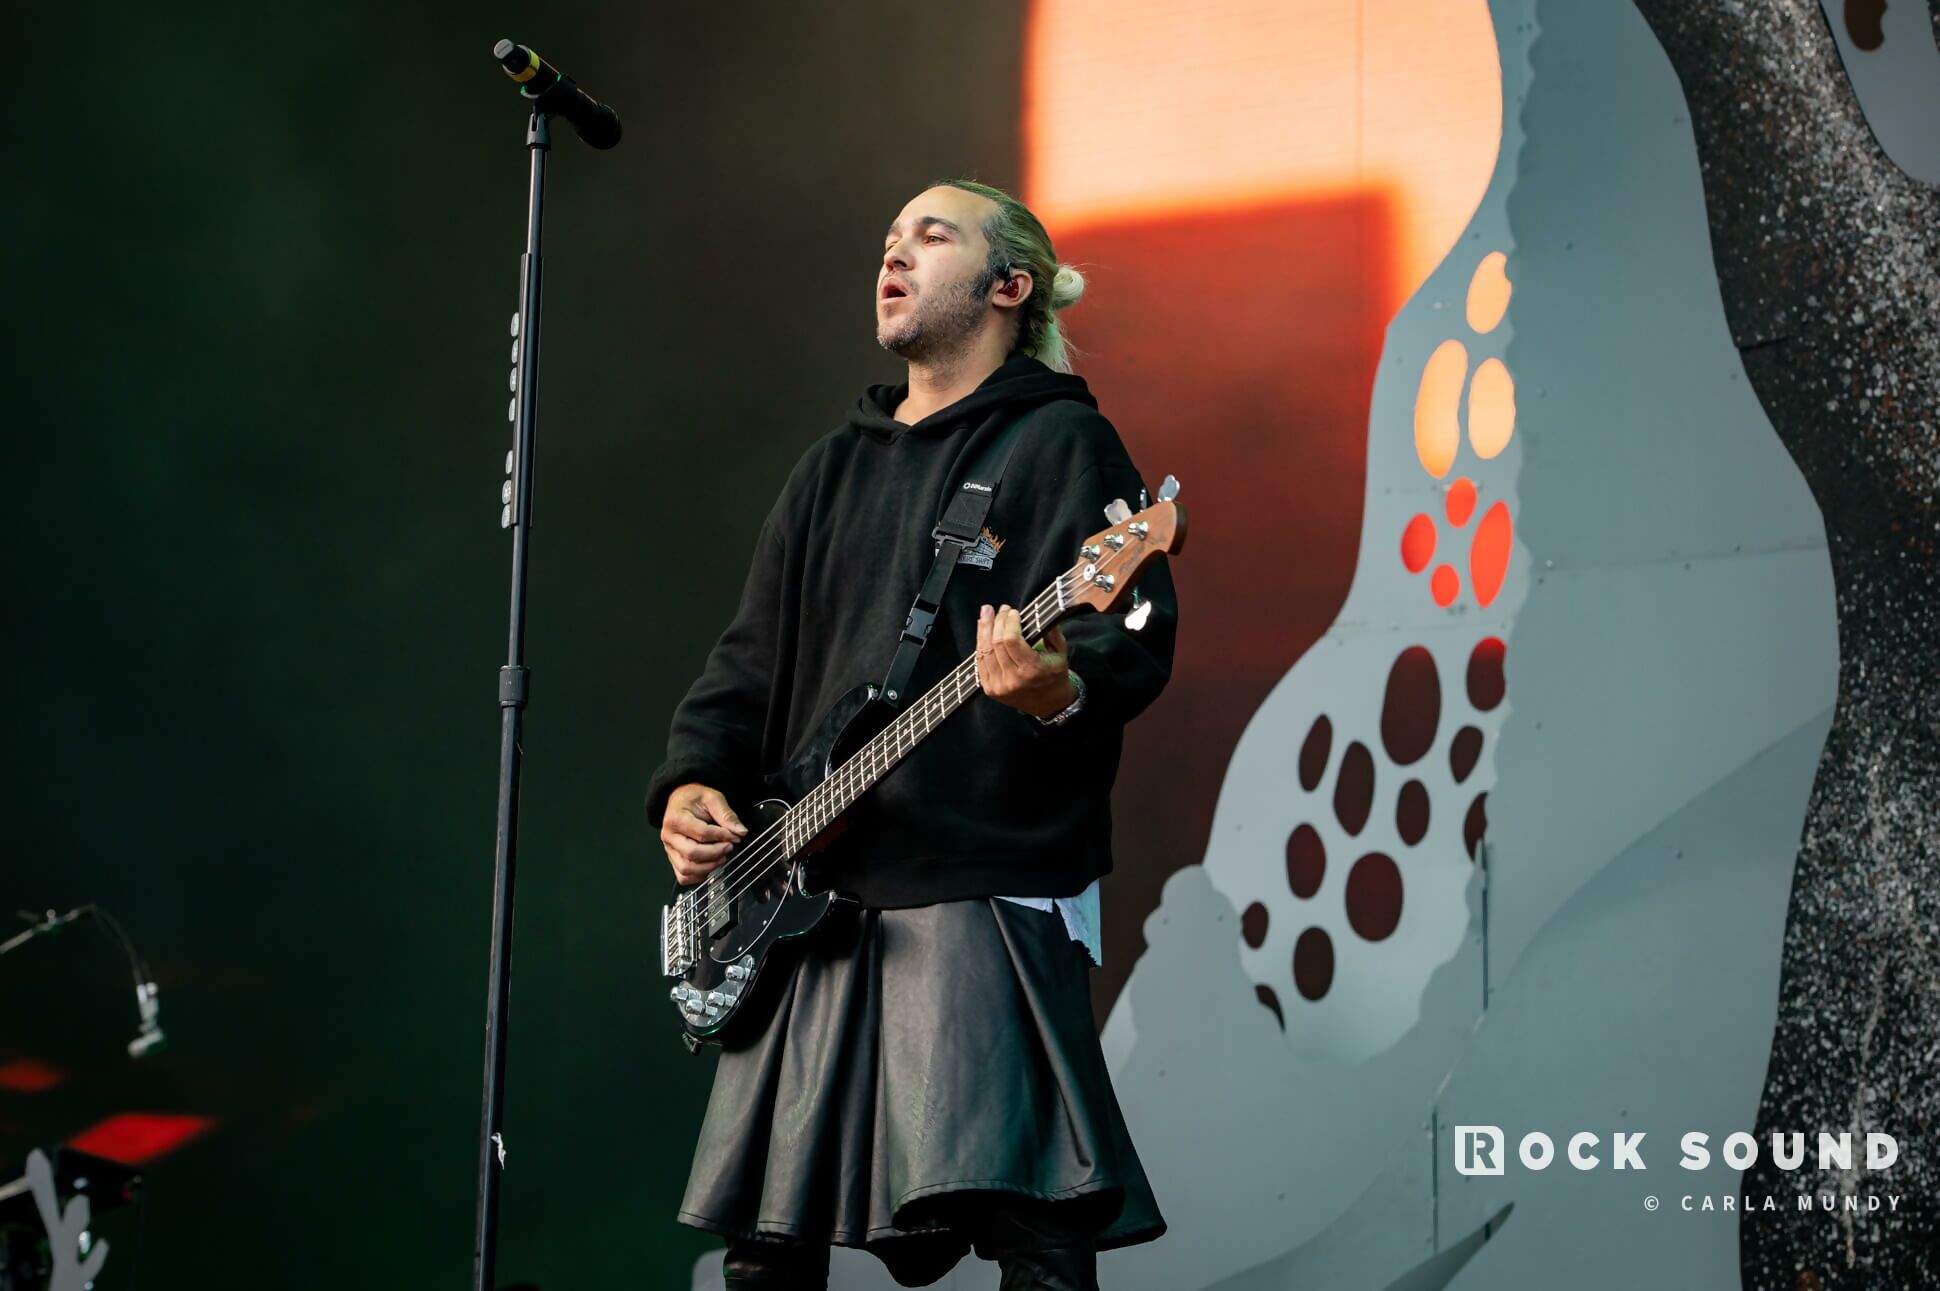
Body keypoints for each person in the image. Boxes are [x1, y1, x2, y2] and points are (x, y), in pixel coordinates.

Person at [646, 178, 1178, 1291]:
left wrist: (1052, 688)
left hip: (978, 879)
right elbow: (746, 663)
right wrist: (692, 782)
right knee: (765, 1252)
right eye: (889, 238)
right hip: (809, 887)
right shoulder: (830, 468)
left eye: (931, 237)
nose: (893, 253)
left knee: (1035, 1221)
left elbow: (1128, 633)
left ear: (1009, 286)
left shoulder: (1062, 443)